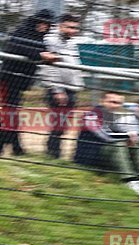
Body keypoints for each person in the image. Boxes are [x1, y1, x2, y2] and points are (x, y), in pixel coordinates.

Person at [0, 9, 58, 155]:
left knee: (11, 114)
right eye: (43, 23)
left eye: (48, 24)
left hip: (18, 82)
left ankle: (14, 147)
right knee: (9, 114)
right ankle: (15, 148)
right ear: (36, 21)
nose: (45, 26)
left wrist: (50, 56)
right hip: (8, 79)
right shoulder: (22, 31)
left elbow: (42, 51)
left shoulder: (40, 38)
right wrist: (40, 55)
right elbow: (16, 46)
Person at [74, 91, 139, 188]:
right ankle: (129, 179)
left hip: (105, 155)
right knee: (119, 144)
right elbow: (105, 136)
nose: (115, 106)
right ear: (102, 101)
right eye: (112, 102)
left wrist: (131, 138)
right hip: (90, 157)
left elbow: (122, 132)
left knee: (133, 143)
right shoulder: (91, 115)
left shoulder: (111, 117)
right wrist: (127, 136)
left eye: (119, 103)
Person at [41, 13, 82, 159]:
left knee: (63, 124)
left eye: (75, 28)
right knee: (58, 124)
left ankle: (54, 152)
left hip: (71, 88)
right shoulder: (51, 40)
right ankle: (53, 153)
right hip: (59, 89)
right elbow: (50, 67)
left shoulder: (71, 42)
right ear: (60, 26)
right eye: (69, 27)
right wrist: (57, 90)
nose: (73, 30)